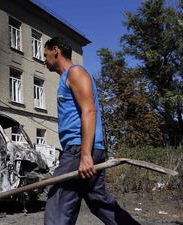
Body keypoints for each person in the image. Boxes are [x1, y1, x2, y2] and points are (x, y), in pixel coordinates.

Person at [43, 37, 140, 225]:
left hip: (79, 149)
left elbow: (89, 110)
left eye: (46, 55)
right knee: (98, 202)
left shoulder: (75, 72)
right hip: (83, 149)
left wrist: (85, 155)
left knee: (58, 207)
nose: (44, 60)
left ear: (56, 50)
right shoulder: (67, 77)